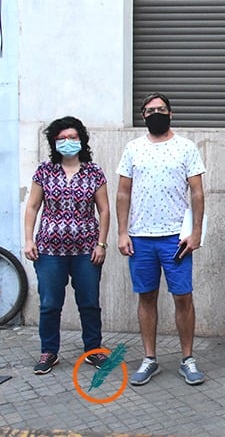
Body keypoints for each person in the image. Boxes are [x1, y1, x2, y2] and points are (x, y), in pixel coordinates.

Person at [116, 92, 207, 386]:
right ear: (143, 115)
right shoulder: (133, 148)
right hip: (141, 238)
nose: (156, 113)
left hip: (176, 239)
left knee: (183, 297)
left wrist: (196, 233)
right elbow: (123, 192)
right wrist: (121, 232)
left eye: (162, 109)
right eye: (151, 109)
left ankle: (188, 358)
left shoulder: (186, 148)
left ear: (170, 114)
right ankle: (149, 358)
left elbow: (197, 193)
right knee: (147, 296)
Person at [23, 117, 110, 375]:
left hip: (86, 250)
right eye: (62, 138)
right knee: (50, 303)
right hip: (49, 251)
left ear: (81, 139)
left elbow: (104, 210)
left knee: (89, 303)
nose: (68, 142)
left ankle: (93, 350)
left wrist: (101, 243)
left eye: (72, 137)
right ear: (54, 142)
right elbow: (32, 207)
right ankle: (49, 352)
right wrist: (29, 240)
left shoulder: (94, 172)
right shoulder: (44, 171)